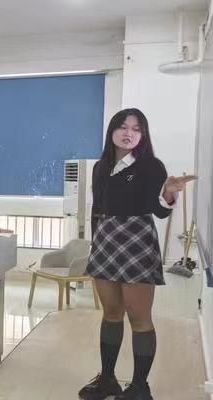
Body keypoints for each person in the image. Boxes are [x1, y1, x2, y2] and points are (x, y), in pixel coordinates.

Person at [78, 108, 196, 400]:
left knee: (139, 317)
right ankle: (108, 380)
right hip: (106, 240)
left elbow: (159, 211)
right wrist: (95, 243)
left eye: (136, 128)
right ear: (112, 131)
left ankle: (140, 388)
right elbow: (97, 208)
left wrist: (168, 192)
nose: (128, 133)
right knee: (111, 313)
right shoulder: (101, 166)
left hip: (137, 240)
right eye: (123, 126)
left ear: (143, 135)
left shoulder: (151, 166)